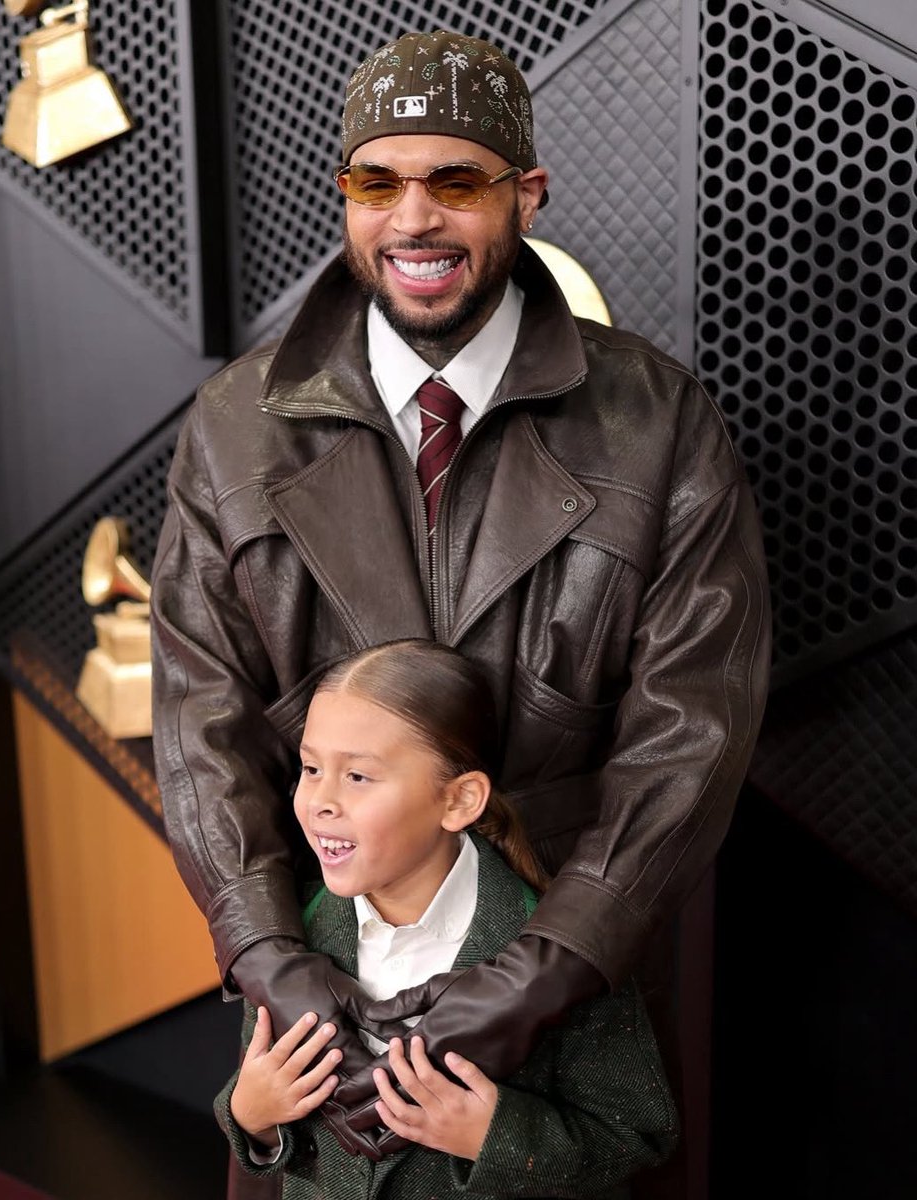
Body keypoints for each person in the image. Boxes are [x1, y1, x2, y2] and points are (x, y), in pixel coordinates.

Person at [150, 26, 770, 1172]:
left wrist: (544, 973)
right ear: (345, 198)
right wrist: (275, 962)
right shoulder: (233, 427)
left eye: (457, 182)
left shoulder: (660, 418)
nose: (414, 219)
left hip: (583, 973)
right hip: (319, 989)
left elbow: (698, 727)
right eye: (377, 182)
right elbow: (198, 722)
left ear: (525, 195)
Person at [215, 640, 679, 1198]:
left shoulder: (563, 950)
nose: (319, 801)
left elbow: (635, 1134)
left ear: (459, 801)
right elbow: (261, 1117)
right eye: (311, 768)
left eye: (357, 777)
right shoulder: (291, 931)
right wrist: (248, 1114)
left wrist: (493, 1134)